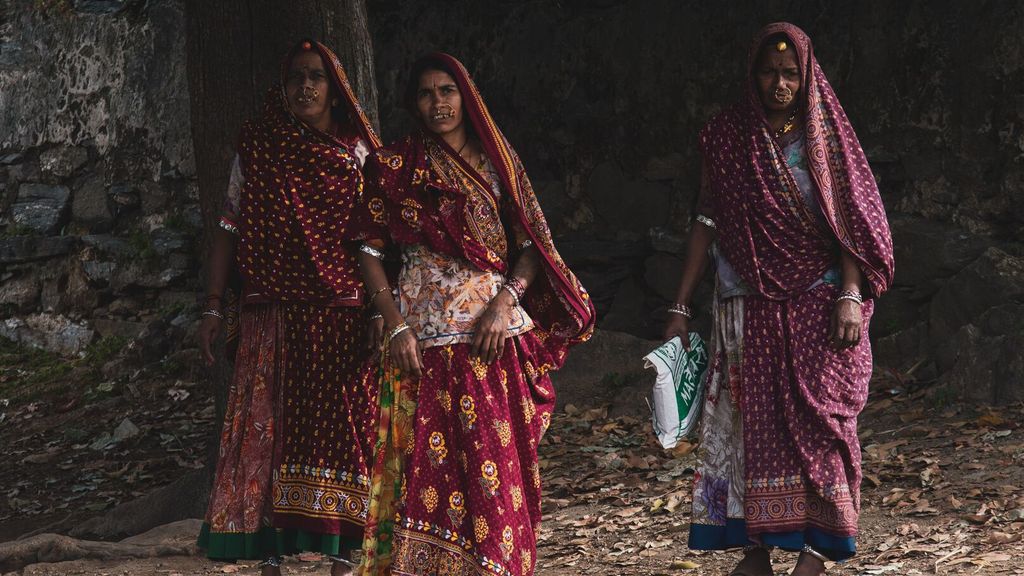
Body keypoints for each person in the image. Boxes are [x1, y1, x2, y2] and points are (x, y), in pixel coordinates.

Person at [349, 52, 594, 575]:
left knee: (492, 471)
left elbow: (531, 245)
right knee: (424, 473)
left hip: (489, 340)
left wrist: (505, 305)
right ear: (411, 103)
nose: (437, 103)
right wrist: (394, 324)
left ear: (466, 95)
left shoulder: (498, 163)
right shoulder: (391, 166)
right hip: (419, 342)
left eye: (447, 91)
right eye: (425, 93)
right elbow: (368, 251)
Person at [664, 23, 894, 576]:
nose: (780, 83)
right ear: (752, 74)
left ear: (808, 74)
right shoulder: (726, 137)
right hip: (745, 305)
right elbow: (706, 218)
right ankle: (756, 549)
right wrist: (679, 305)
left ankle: (818, 551)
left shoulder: (825, 135)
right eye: (769, 71)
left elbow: (851, 226)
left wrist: (850, 292)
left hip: (818, 301)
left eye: (791, 73)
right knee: (750, 427)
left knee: (825, 423)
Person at [196, 39, 382, 576]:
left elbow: (378, 237)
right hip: (270, 311)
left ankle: (343, 554)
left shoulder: (356, 151)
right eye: (297, 77)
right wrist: (213, 305)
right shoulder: (258, 145)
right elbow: (230, 227)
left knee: (345, 429)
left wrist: (378, 312)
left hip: (340, 309)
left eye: (316, 77)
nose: (305, 87)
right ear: (283, 87)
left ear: (335, 88)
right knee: (269, 430)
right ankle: (271, 554)